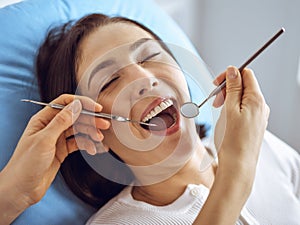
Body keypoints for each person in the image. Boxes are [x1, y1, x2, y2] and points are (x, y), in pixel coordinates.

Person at [0, 13, 299, 225]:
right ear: (92, 131)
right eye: (109, 81)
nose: (143, 79)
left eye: (149, 56)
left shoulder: (265, 148)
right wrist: (238, 170)